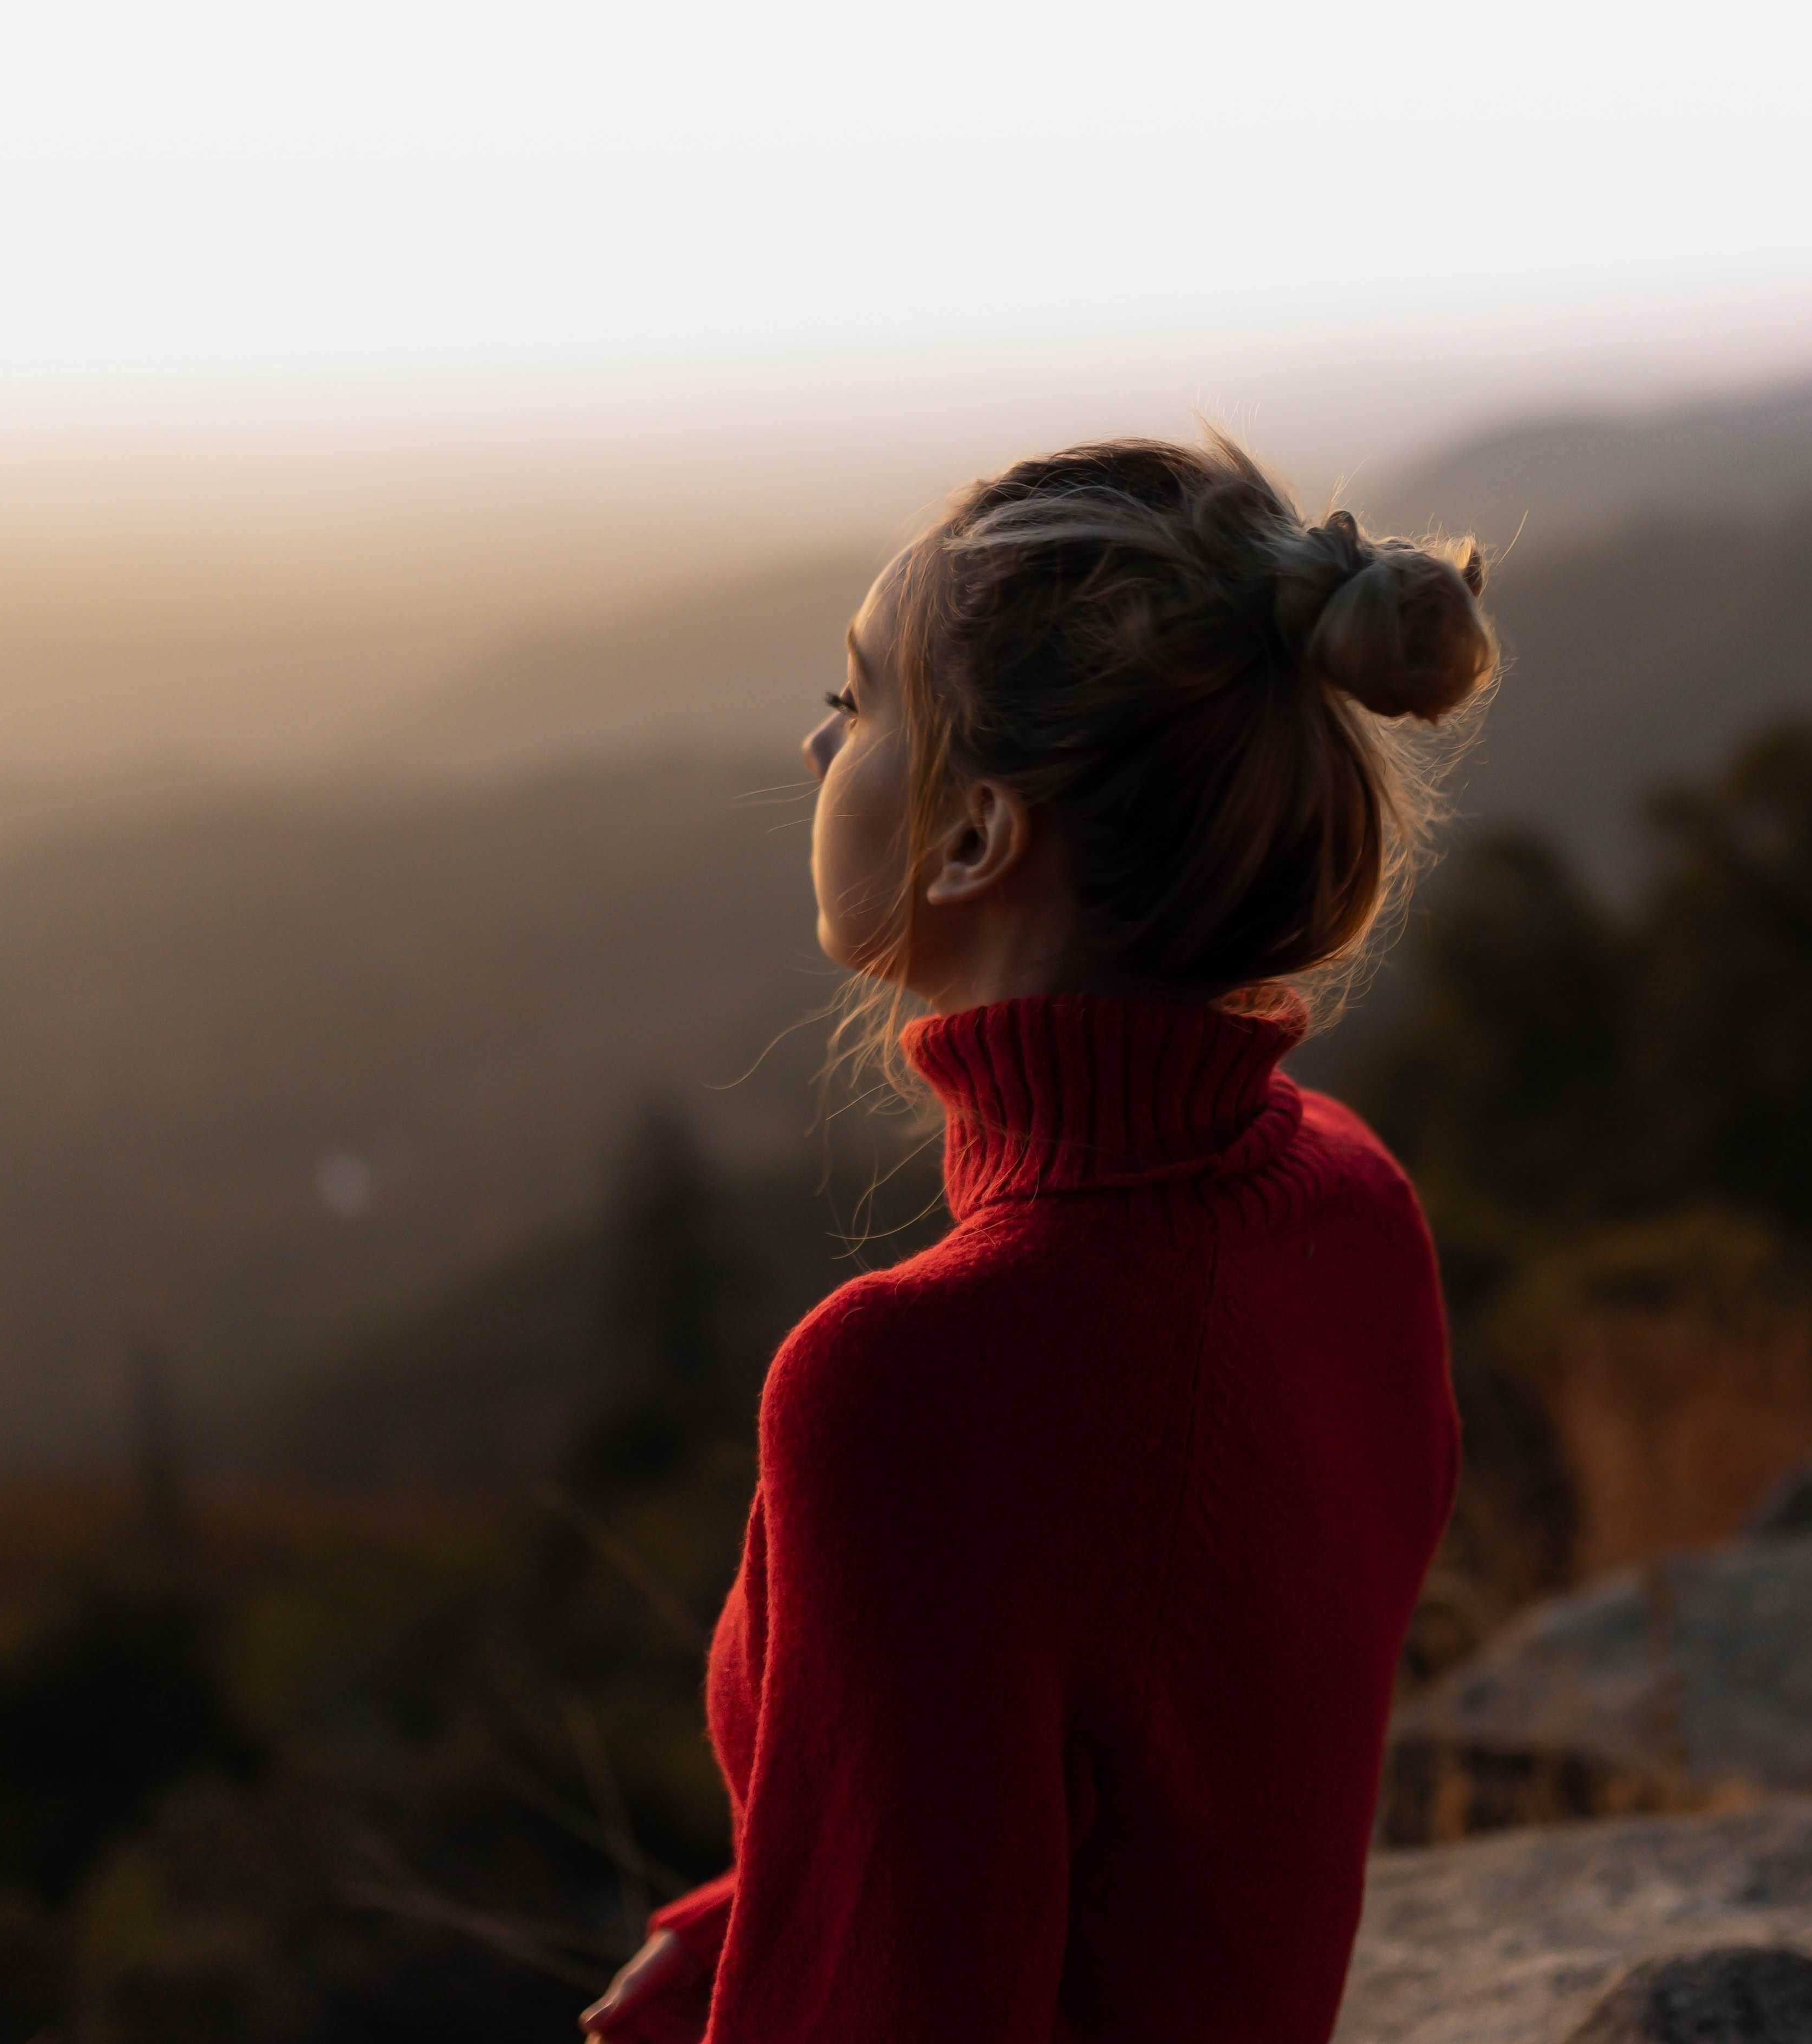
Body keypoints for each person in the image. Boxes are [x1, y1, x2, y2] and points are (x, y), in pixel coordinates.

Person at [581, 433, 1495, 2043]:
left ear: (970, 839)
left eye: (858, 701)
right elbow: (1173, 1775)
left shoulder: (908, 1386)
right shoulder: (1346, 1199)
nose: (816, 742)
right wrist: (768, 1907)